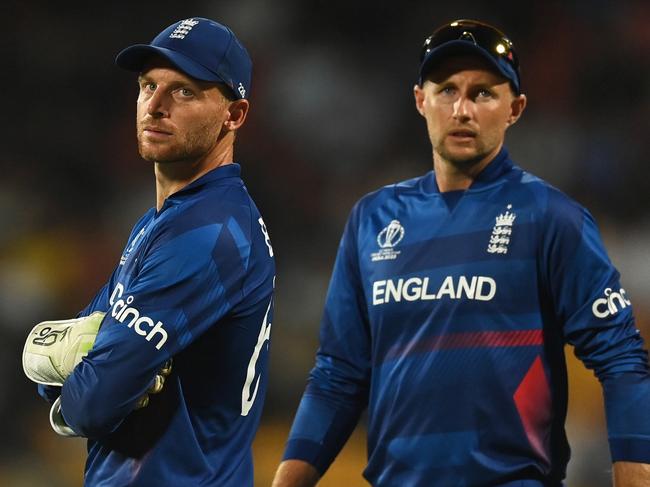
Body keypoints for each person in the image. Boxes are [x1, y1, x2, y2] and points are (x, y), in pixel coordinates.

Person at [272, 19, 650, 487]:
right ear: (420, 100)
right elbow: (337, 376)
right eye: (447, 89)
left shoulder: (551, 217)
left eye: (483, 93)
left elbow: (621, 359)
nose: (462, 109)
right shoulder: (373, 219)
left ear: (515, 108)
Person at [22, 17, 275, 486]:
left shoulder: (207, 233)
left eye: (183, 92)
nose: (155, 106)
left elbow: (94, 403)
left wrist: (77, 394)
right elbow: (61, 362)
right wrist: (91, 376)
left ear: (234, 115)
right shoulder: (167, 221)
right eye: (147, 85)